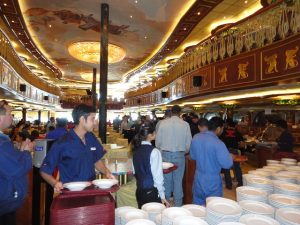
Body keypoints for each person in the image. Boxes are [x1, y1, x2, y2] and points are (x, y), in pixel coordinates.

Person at [40, 104, 114, 193]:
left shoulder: (91, 138)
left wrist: (107, 172)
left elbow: (96, 160)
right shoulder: (62, 143)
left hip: (91, 189)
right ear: (82, 119)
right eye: (92, 119)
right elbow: (44, 170)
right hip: (70, 192)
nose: (95, 123)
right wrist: (55, 183)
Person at [0, 100, 33, 225]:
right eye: (9, 113)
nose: (12, 116)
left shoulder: (4, 141)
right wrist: (26, 152)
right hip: (4, 205)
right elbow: (16, 170)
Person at [190, 117, 233, 205]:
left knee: (198, 208)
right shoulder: (219, 143)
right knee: (213, 208)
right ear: (218, 129)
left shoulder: (196, 137)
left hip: (198, 179)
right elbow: (227, 164)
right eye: (222, 128)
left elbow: (193, 156)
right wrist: (230, 157)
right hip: (212, 182)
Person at [156, 105, 192, 206]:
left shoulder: (163, 123)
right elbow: (188, 143)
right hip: (179, 155)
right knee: (178, 181)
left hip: (165, 155)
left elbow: (158, 142)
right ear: (180, 113)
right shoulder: (185, 124)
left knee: (166, 181)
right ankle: (178, 206)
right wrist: (183, 152)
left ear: (171, 112)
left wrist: (161, 151)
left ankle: (166, 204)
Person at [132, 122, 170, 208]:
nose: (156, 134)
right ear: (150, 135)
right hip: (151, 192)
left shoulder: (135, 151)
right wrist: (162, 196)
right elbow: (158, 177)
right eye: (154, 132)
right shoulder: (155, 152)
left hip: (139, 191)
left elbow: (135, 172)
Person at [220, 118, 244, 189]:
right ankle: (240, 184)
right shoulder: (238, 133)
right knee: (237, 168)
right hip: (235, 152)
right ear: (235, 125)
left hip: (226, 151)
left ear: (227, 125)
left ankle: (229, 185)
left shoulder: (223, 132)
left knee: (226, 168)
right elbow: (242, 144)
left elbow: (220, 142)